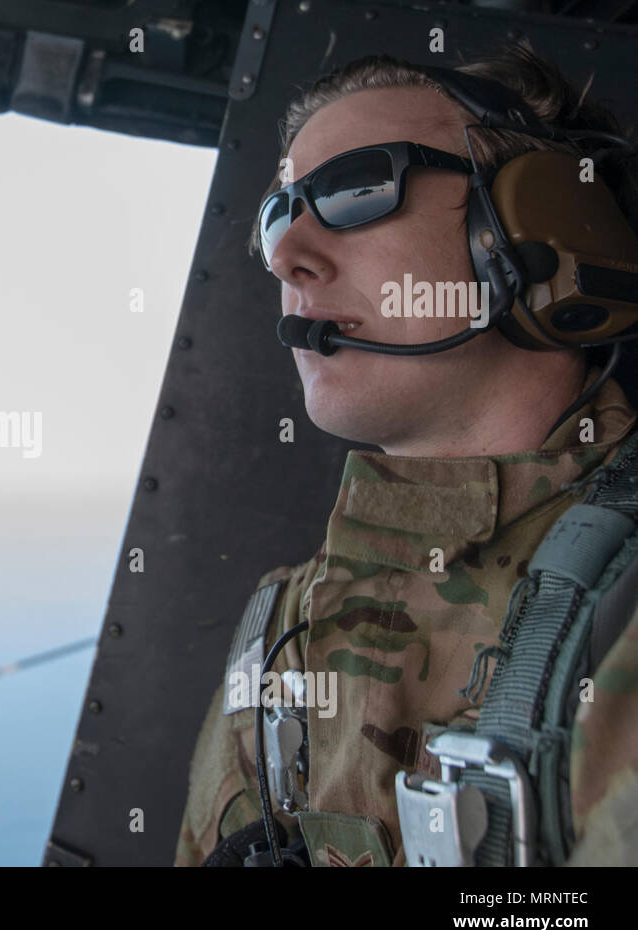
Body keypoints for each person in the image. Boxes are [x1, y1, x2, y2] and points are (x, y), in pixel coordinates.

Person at [174, 43, 638, 867]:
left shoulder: (620, 605)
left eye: (355, 190)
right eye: (278, 215)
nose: (286, 257)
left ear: (534, 228)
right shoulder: (279, 628)